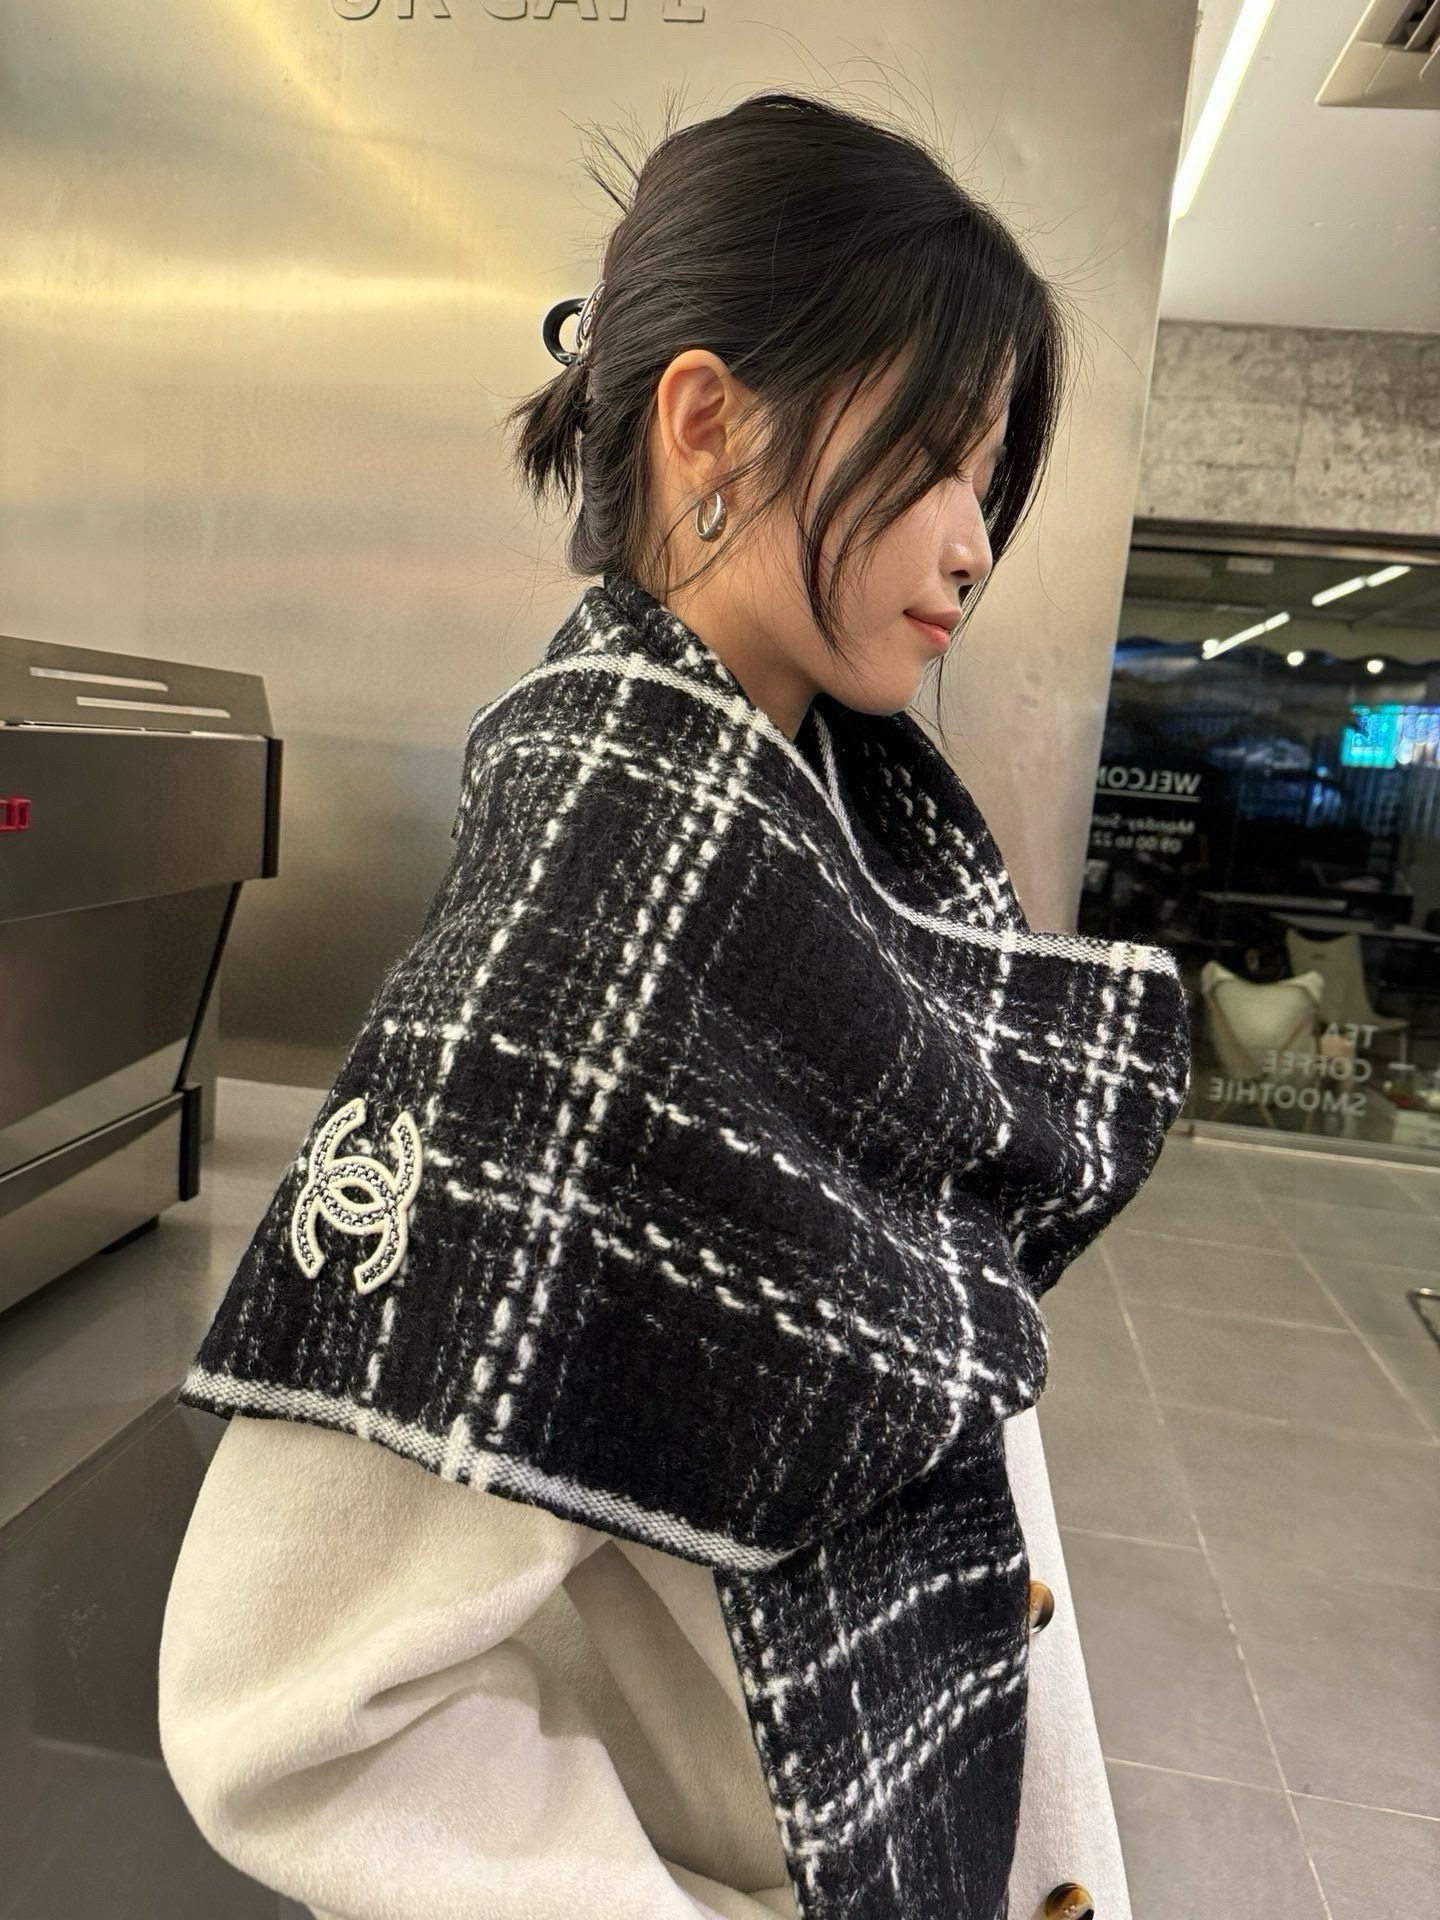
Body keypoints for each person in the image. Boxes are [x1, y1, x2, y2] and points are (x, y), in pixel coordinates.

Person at [159, 90, 1191, 1920]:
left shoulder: (804, 852)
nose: (974, 543)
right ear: (707, 420)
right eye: (936, 462)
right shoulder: (610, 932)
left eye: (988, 481)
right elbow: (278, 1710)